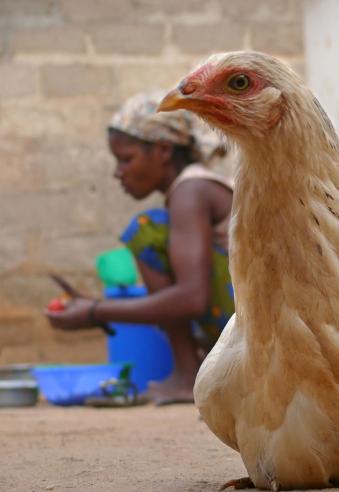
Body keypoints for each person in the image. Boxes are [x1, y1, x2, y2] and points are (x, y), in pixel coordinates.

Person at [46, 92, 235, 405]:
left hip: (254, 319)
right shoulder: (193, 189)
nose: (118, 172)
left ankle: (189, 375)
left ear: (162, 150)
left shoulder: (191, 191)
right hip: (249, 317)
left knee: (146, 231)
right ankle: (193, 371)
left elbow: (192, 298)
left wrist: (95, 312)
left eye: (126, 159)